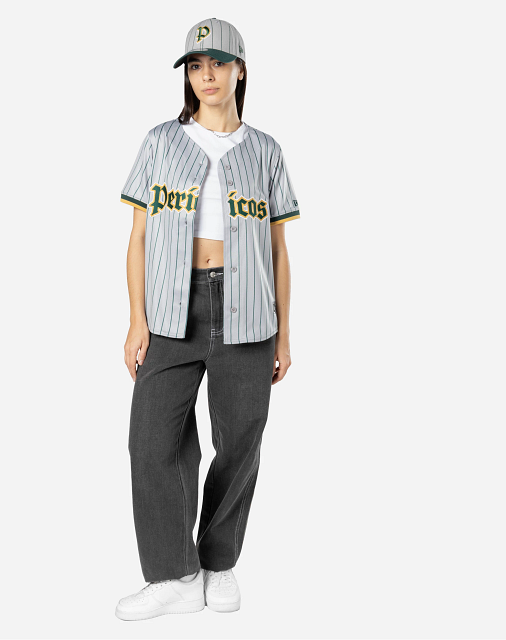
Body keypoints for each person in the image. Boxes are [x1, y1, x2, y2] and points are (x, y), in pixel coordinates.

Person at [115, 17, 301, 621]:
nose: (207, 75)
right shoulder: (159, 142)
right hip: (171, 309)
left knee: (240, 439)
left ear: (240, 70)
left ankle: (219, 562)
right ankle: (175, 573)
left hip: (249, 310)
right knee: (151, 441)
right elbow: (138, 237)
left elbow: (278, 250)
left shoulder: (266, 151)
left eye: (218, 63)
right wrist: (136, 318)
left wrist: (285, 332)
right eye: (196, 66)